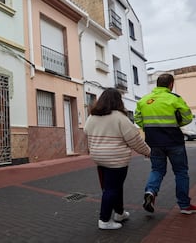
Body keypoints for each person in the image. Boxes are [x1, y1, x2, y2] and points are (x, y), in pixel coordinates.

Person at [84, 88, 150, 230]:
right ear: (118, 100)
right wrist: (147, 152)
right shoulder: (120, 117)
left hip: (98, 158)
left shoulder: (92, 116)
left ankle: (119, 213)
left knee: (113, 188)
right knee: (112, 189)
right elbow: (134, 140)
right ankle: (104, 220)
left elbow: (85, 131)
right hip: (116, 160)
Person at [135, 73, 196, 214]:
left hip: (153, 142)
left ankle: (150, 191)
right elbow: (187, 117)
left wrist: (148, 128)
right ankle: (184, 205)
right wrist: (177, 123)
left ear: (157, 84)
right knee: (181, 172)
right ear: (171, 84)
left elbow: (138, 118)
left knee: (157, 170)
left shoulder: (144, 100)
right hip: (174, 141)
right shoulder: (174, 99)